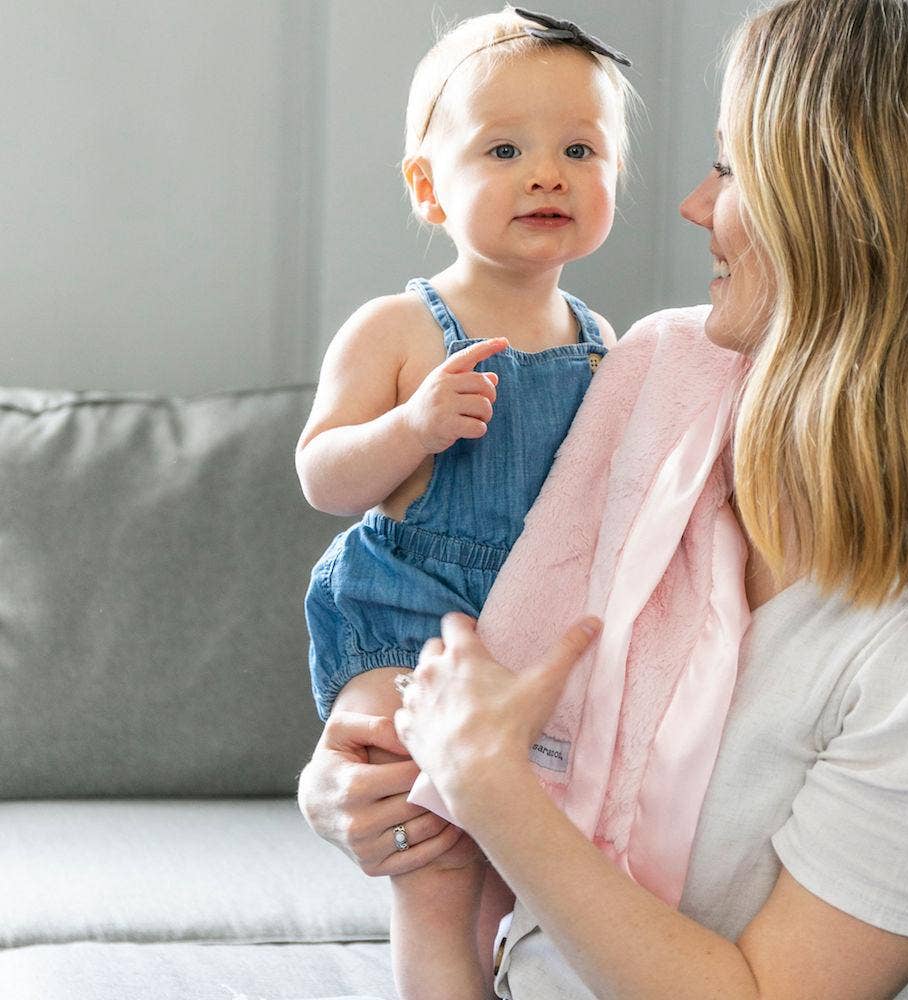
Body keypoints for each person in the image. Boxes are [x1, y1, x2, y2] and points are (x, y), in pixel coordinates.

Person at [298, 0, 908, 997]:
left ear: (842, 209)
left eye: (732, 168)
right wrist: (354, 788)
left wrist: (490, 784)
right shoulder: (660, 376)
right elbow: (477, 642)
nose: (692, 205)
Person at [295, 8, 637, 998]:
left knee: (531, 862)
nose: (547, 172)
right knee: (433, 846)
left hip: (532, 635)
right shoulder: (401, 325)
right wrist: (410, 428)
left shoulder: (598, 335)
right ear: (426, 186)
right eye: (504, 149)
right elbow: (321, 473)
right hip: (406, 621)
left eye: (581, 148)